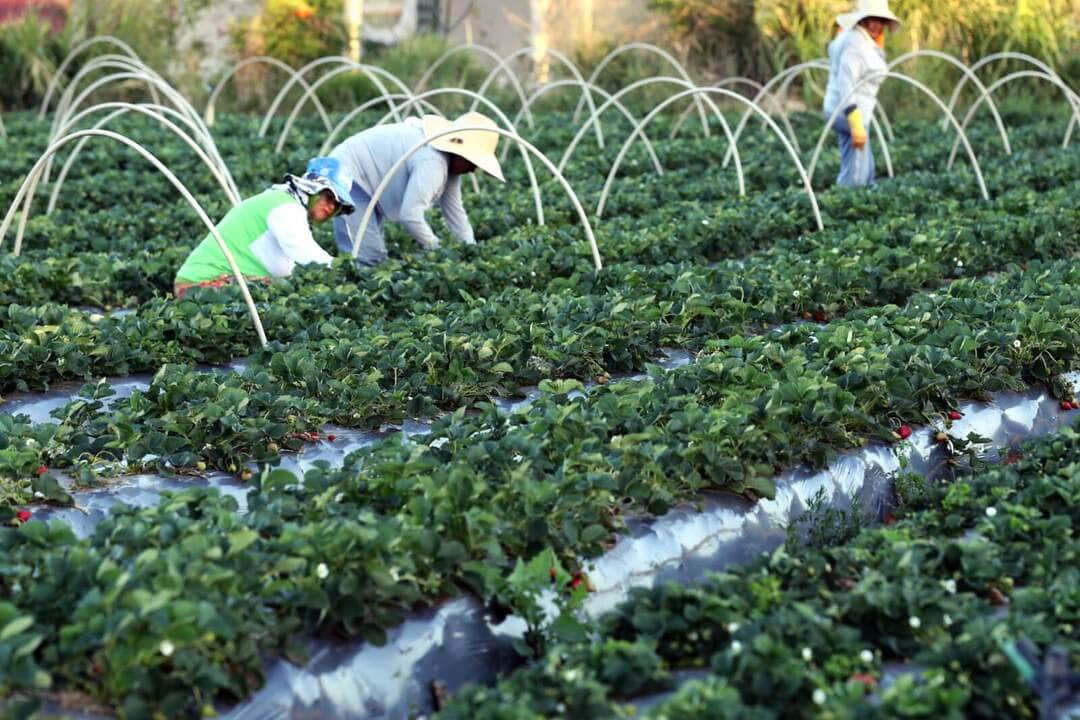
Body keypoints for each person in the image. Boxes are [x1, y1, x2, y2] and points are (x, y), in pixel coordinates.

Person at [327, 111, 505, 267]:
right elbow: (410, 215)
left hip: (367, 178)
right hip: (347, 173)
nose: (473, 170)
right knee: (366, 258)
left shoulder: (449, 166)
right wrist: (436, 248)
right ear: (461, 154)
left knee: (371, 255)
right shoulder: (432, 162)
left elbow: (455, 211)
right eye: (473, 162)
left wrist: (470, 249)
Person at [173, 157, 355, 298]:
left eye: (337, 205)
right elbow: (307, 255)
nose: (331, 207)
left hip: (213, 281)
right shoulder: (286, 207)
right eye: (329, 197)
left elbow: (288, 266)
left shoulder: (283, 201)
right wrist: (347, 273)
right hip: (202, 284)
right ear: (313, 189)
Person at [823, 0, 901, 187]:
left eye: (880, 20)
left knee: (860, 163)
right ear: (862, 20)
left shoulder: (858, 38)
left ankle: (862, 191)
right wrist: (854, 118)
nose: (876, 25)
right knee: (857, 173)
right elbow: (846, 81)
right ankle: (850, 199)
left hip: (837, 108)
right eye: (871, 19)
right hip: (849, 112)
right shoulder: (856, 44)